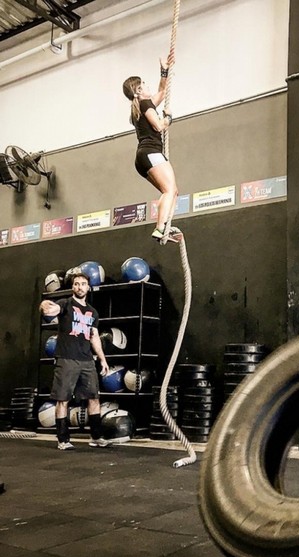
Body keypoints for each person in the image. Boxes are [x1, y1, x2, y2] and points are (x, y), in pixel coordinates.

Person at [39, 272, 111, 450]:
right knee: (63, 400)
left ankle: (96, 437)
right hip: (66, 359)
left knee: (94, 398)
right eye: (77, 284)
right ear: (73, 287)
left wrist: (102, 359)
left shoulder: (93, 312)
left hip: (87, 360)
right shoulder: (65, 304)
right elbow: (51, 309)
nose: (80, 287)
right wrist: (44, 306)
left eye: (83, 284)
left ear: (88, 287)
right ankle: (63, 440)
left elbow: (94, 337)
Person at [122, 54, 181, 244]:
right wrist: (169, 118)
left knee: (173, 191)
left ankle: (165, 227)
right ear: (138, 91)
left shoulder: (139, 108)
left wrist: (164, 71)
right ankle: (160, 227)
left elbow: (162, 92)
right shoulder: (145, 104)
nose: (148, 86)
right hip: (151, 153)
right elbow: (158, 126)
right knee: (169, 191)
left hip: (143, 158)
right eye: (144, 84)